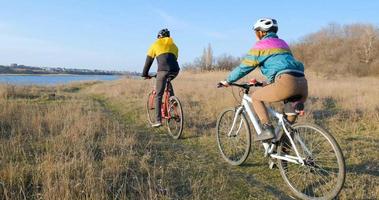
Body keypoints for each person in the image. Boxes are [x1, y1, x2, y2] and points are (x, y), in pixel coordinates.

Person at [219, 18, 308, 141]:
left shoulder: (261, 46)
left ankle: (267, 129)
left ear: (261, 32)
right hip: (302, 84)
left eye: (256, 32)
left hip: (286, 83)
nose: (255, 35)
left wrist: (227, 81)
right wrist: (262, 84)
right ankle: (283, 155)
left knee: (255, 97)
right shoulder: (283, 43)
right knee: (288, 126)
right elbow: (284, 68)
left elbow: (244, 67)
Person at [142, 28, 180, 127]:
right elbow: (173, 59)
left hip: (163, 71)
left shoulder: (155, 44)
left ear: (159, 36)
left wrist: (144, 74)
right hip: (175, 70)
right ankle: (174, 104)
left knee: (159, 95)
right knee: (168, 82)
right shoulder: (174, 46)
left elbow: (148, 61)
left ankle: (158, 121)